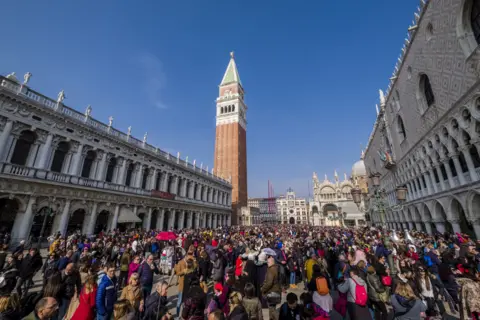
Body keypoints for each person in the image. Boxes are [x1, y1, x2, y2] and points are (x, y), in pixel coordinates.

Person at [260, 248, 281, 320]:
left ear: (272, 261)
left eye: (268, 262)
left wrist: (263, 289)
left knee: (272, 310)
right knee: (272, 309)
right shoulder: (275, 268)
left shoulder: (271, 270)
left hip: (272, 292)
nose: (267, 262)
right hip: (276, 291)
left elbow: (269, 283)